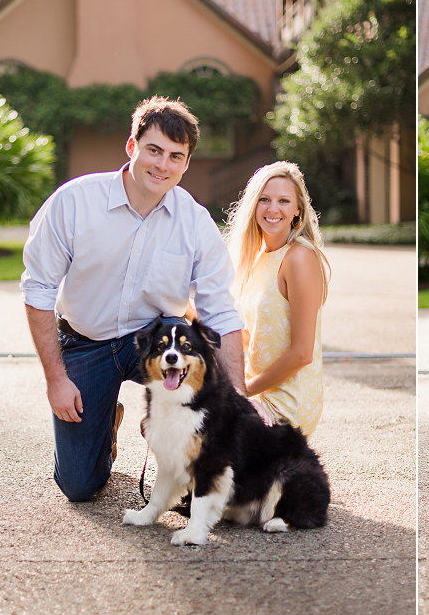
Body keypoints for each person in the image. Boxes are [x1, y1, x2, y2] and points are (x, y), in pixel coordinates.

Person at [21, 96, 245, 503]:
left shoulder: (194, 221)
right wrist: (56, 379)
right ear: (132, 147)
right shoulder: (74, 202)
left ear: (186, 163)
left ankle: (174, 439)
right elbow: (38, 290)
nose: (163, 165)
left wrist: (238, 400)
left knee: (201, 395)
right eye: (154, 150)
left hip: (159, 341)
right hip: (85, 341)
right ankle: (105, 423)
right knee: (79, 486)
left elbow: (221, 313)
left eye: (176, 156)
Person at [222, 162, 330, 437]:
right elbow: (248, 337)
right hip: (258, 390)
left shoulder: (299, 258)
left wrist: (242, 390)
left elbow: (302, 353)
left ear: (298, 210)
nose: (272, 209)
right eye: (264, 200)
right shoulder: (257, 258)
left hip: (287, 402)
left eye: (283, 201)